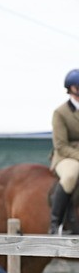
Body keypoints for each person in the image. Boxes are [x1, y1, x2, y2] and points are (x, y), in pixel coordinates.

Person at [48, 68, 79, 234]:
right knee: (70, 176)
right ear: (72, 88)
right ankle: (55, 223)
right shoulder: (61, 113)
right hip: (66, 156)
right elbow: (61, 145)